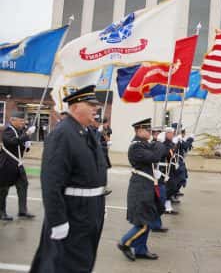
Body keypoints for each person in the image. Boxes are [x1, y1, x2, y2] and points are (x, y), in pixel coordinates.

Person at [30, 85, 107, 273]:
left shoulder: (86, 132)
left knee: (82, 260)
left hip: (89, 210)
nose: (95, 108)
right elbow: (51, 182)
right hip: (74, 212)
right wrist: (57, 220)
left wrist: (97, 202)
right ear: (74, 107)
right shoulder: (63, 133)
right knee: (64, 265)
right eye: (90, 104)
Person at [117, 118, 165, 261]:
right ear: (139, 131)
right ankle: (124, 242)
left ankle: (140, 250)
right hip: (140, 189)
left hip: (146, 186)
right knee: (145, 223)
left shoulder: (144, 144)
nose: (150, 132)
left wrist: (158, 143)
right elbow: (155, 156)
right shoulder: (136, 147)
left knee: (147, 219)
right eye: (147, 130)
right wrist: (158, 142)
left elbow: (161, 152)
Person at [0, 110, 36, 221]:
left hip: (18, 164)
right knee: (3, 189)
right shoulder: (7, 130)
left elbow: (22, 144)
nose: (23, 123)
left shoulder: (20, 131)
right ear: (12, 120)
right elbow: (13, 142)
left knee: (23, 185)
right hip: (7, 164)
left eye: (23, 121)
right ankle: (1, 212)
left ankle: (22, 210)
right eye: (20, 121)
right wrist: (27, 134)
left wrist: (27, 144)